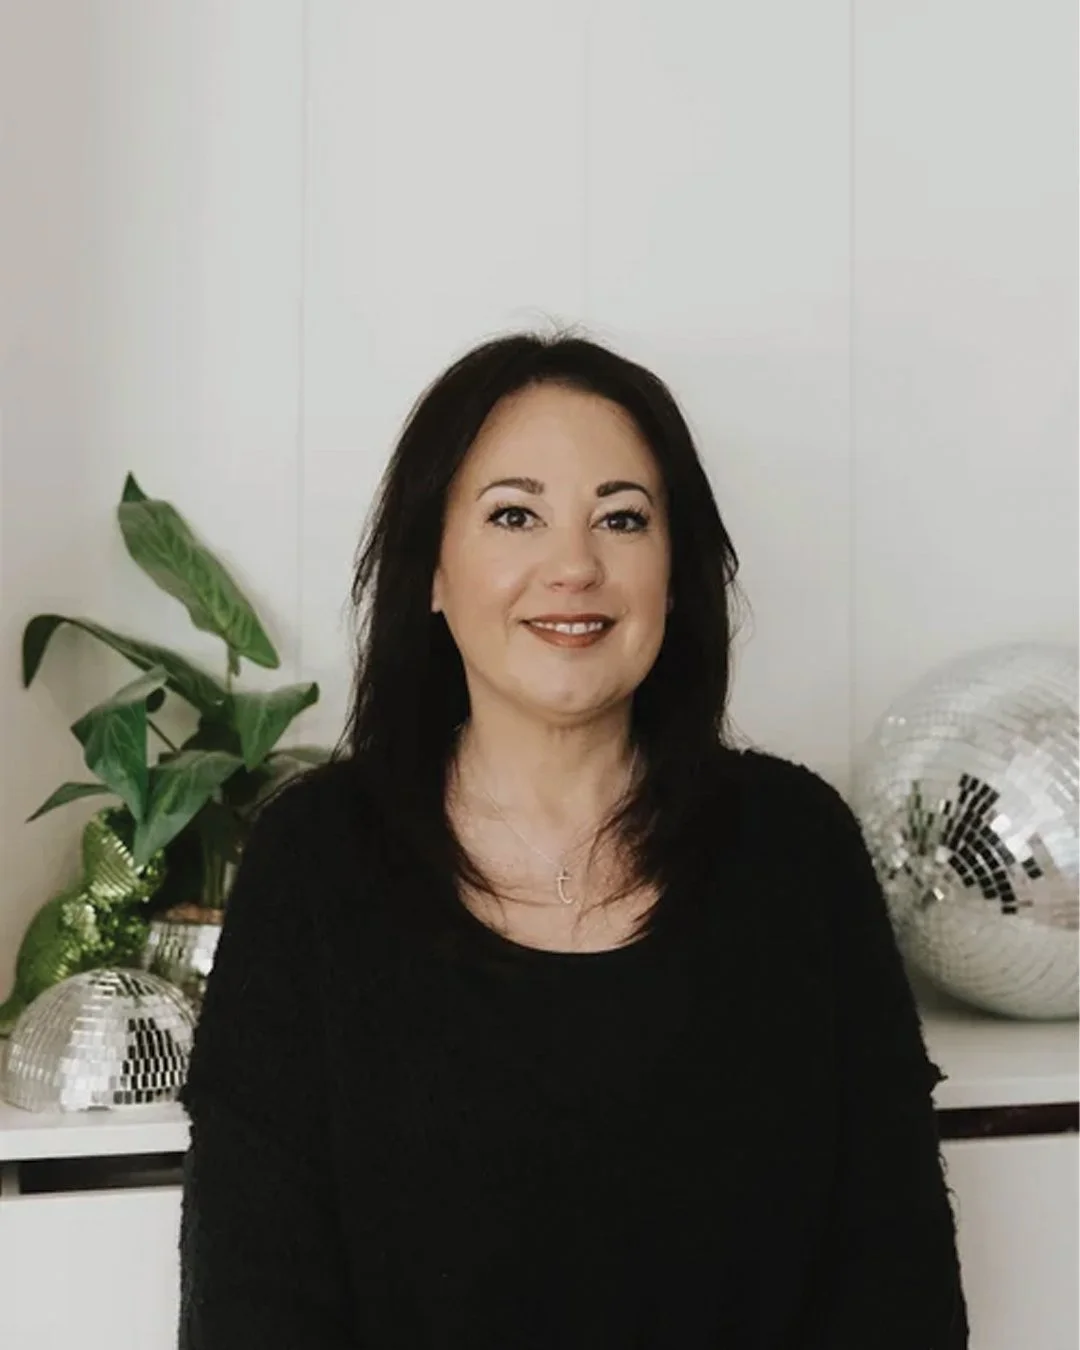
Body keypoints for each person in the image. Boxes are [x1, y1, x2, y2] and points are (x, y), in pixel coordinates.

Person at [177, 332, 969, 1348]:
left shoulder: (798, 849)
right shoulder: (318, 860)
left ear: (676, 575)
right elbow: (254, 1302)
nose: (574, 566)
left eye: (622, 519)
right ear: (430, 569)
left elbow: (896, 1281)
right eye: (515, 515)